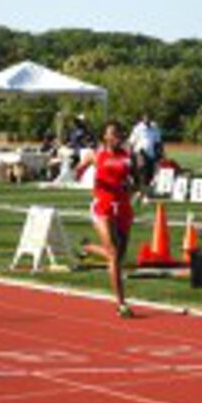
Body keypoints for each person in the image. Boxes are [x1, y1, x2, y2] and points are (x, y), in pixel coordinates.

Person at [76, 121, 135, 318]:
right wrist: (81, 170)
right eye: (113, 133)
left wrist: (132, 185)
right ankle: (121, 304)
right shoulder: (96, 154)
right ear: (105, 137)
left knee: (118, 256)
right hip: (103, 206)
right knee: (114, 253)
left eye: (119, 133)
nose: (117, 136)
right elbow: (78, 170)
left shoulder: (127, 155)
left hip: (124, 207)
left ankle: (88, 247)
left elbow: (132, 178)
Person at [128, 113, 161, 200]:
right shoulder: (138, 128)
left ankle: (141, 192)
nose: (147, 119)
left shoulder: (155, 128)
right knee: (143, 173)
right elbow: (131, 142)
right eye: (145, 118)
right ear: (142, 118)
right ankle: (143, 194)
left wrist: (160, 153)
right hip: (140, 153)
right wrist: (130, 155)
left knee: (150, 174)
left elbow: (157, 142)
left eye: (149, 118)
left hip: (151, 154)